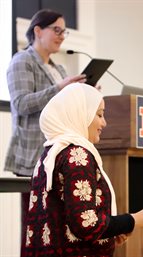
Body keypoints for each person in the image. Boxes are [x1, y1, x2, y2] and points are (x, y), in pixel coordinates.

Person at [21, 82, 143, 257]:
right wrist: (134, 220)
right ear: (80, 115)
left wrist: (109, 233)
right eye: (99, 114)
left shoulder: (51, 153)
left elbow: (66, 217)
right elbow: (85, 224)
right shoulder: (77, 155)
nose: (104, 122)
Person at [3, 8, 86, 251]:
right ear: (38, 31)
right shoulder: (21, 61)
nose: (61, 36)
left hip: (58, 157)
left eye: (64, 31)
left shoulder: (58, 69)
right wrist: (59, 88)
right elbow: (21, 103)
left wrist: (84, 93)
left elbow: (63, 106)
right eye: (56, 30)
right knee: (34, 229)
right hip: (33, 158)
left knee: (57, 227)